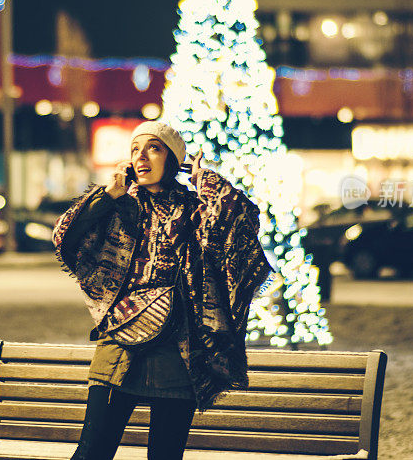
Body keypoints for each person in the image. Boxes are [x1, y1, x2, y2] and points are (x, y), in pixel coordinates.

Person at [53, 121, 272, 460]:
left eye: (153, 148)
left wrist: (206, 180)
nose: (141, 157)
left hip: (177, 350)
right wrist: (108, 194)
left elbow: (241, 223)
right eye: (135, 150)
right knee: (92, 451)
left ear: (173, 159)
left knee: (165, 455)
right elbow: (66, 238)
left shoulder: (194, 208)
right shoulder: (119, 206)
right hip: (119, 341)